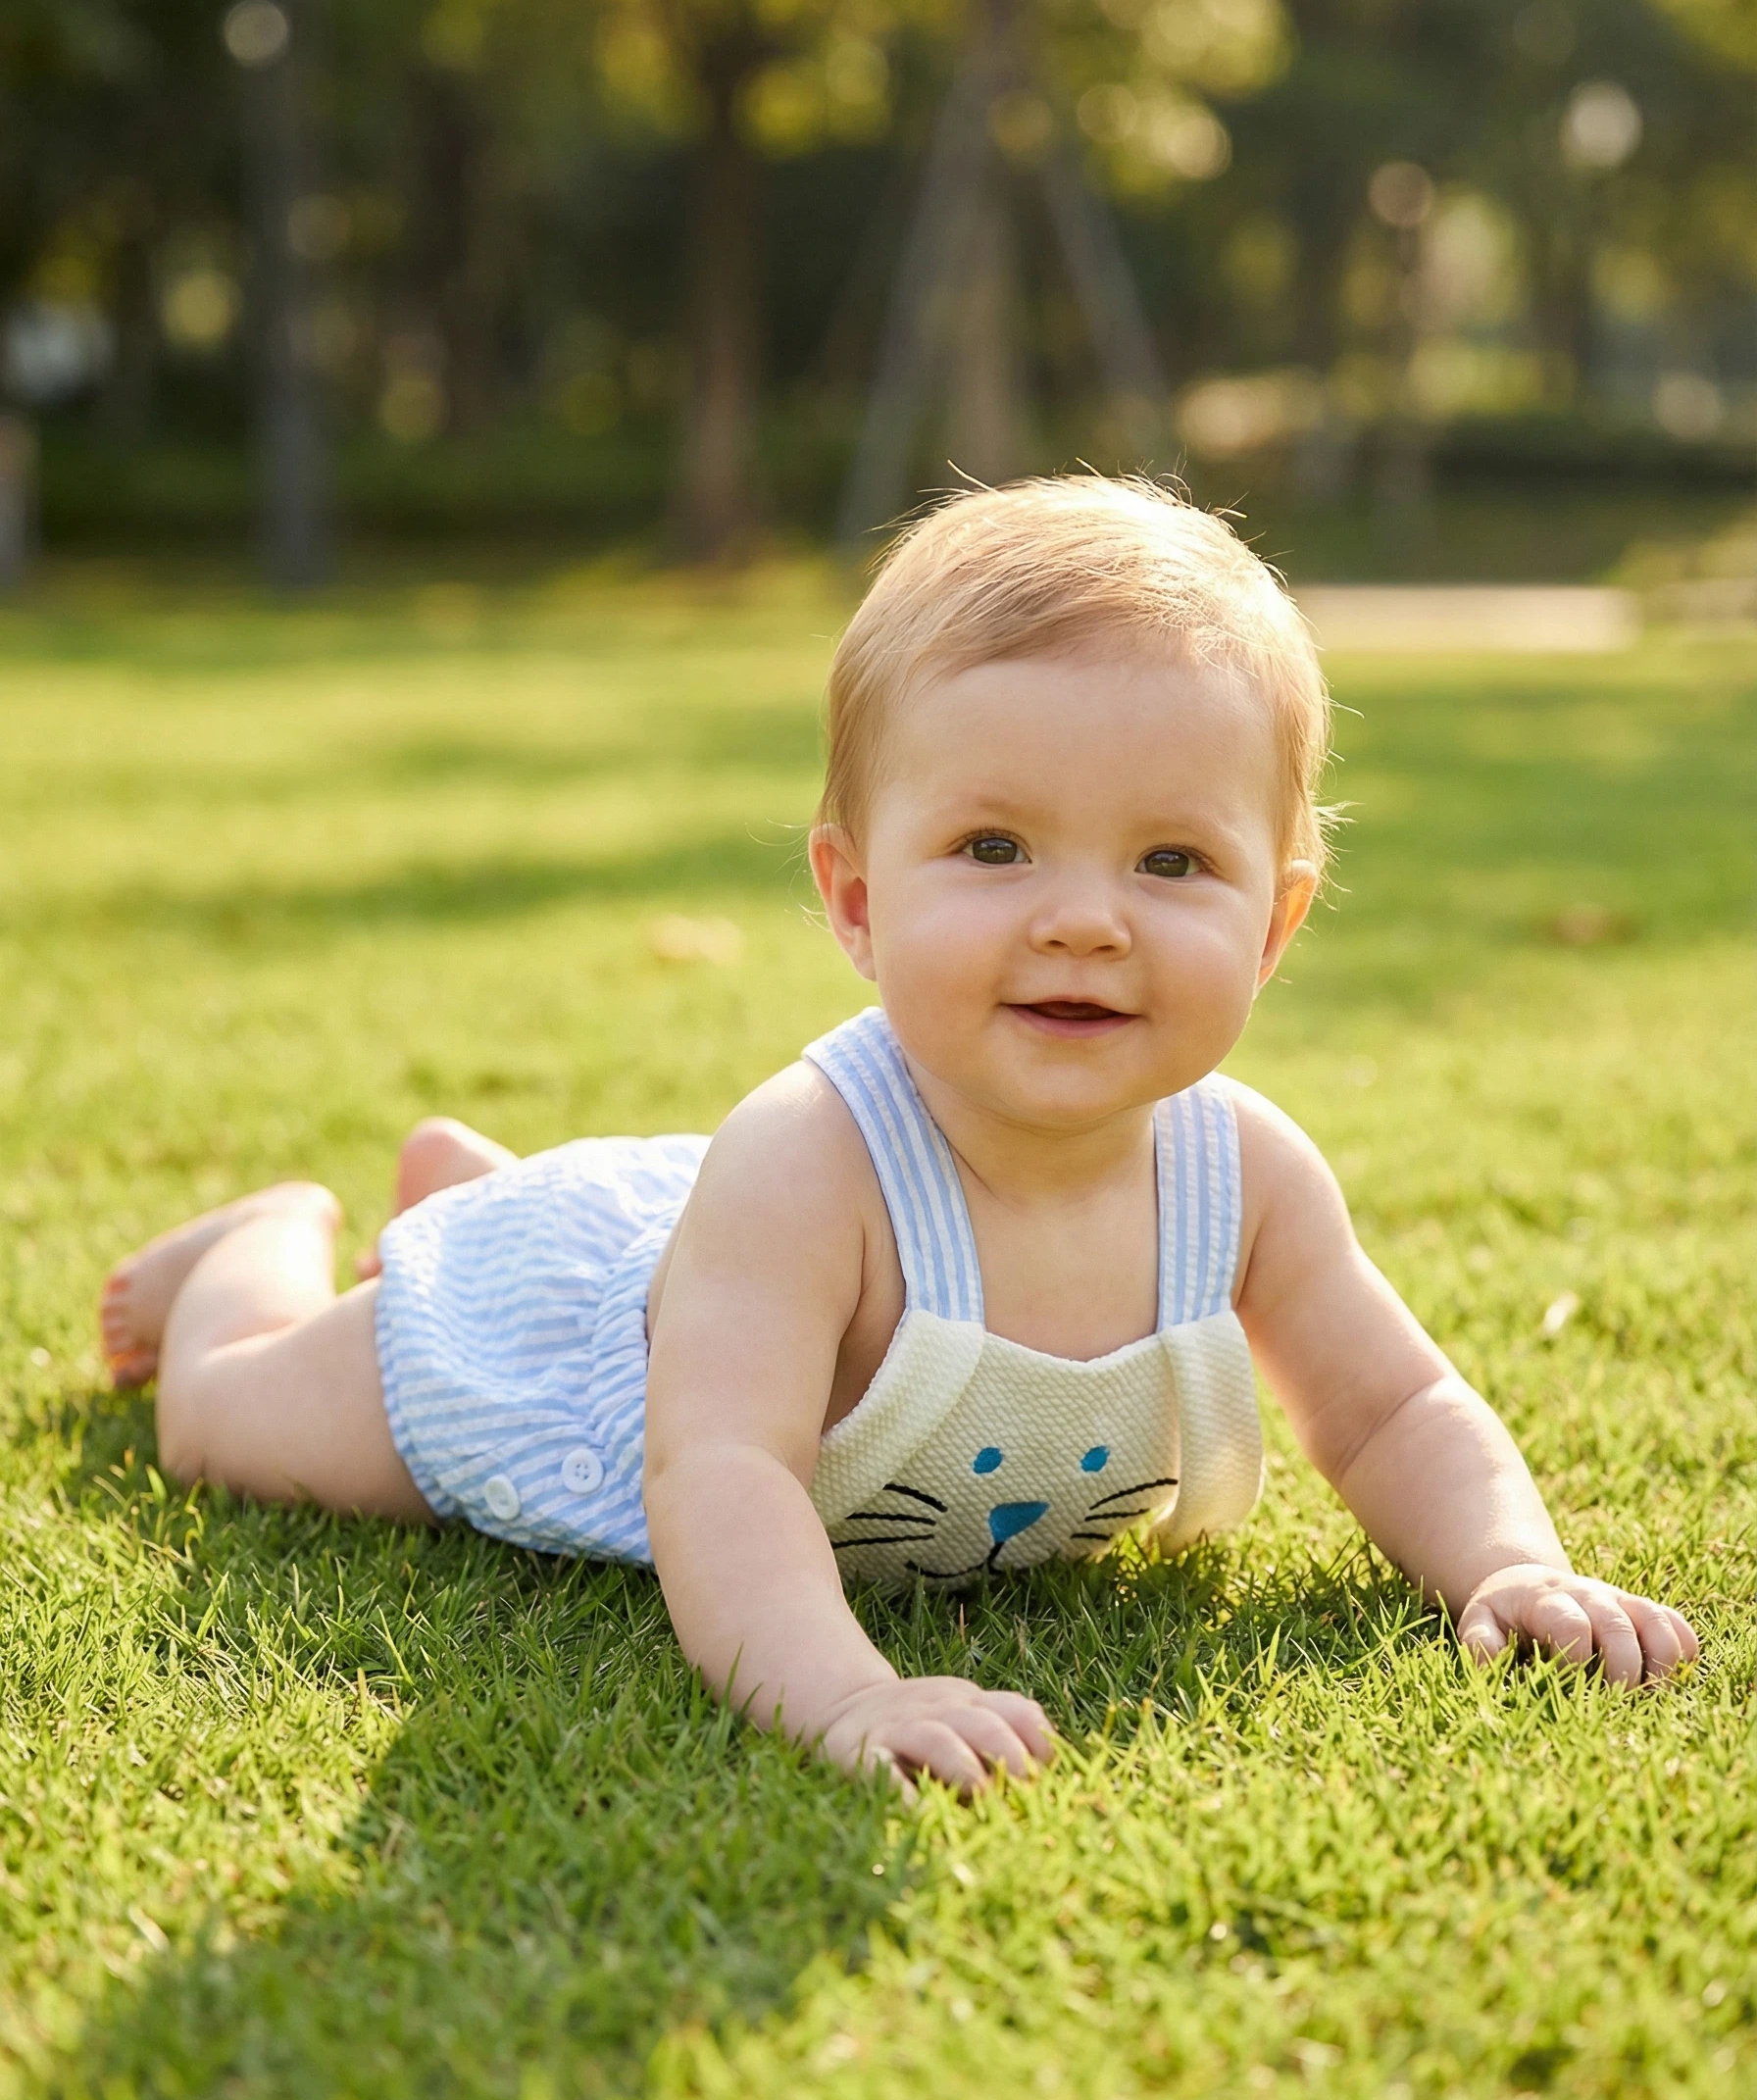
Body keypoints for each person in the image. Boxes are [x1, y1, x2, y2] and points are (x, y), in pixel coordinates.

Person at [98, 476, 1697, 1794]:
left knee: (689, 1267)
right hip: (569, 1361)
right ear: (859, 899)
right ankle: (261, 1245)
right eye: (995, 847)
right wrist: (847, 1695)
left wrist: (1504, 1562)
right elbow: (721, 1469)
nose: (1084, 923)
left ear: (1275, 925)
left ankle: (475, 1182)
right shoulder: (808, 1163)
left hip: (708, 1270)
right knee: (225, 1426)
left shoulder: (1247, 1174)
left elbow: (1394, 1403)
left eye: (1171, 863)